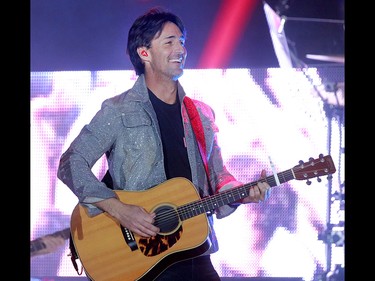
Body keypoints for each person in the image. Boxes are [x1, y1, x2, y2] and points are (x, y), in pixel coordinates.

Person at [57, 7, 271, 281]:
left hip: (194, 248)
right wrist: (119, 209)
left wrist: (241, 193)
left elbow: (219, 177)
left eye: (181, 41)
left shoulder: (201, 115)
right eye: (168, 42)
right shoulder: (118, 110)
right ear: (144, 53)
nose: (180, 49)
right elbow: (71, 163)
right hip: (137, 254)